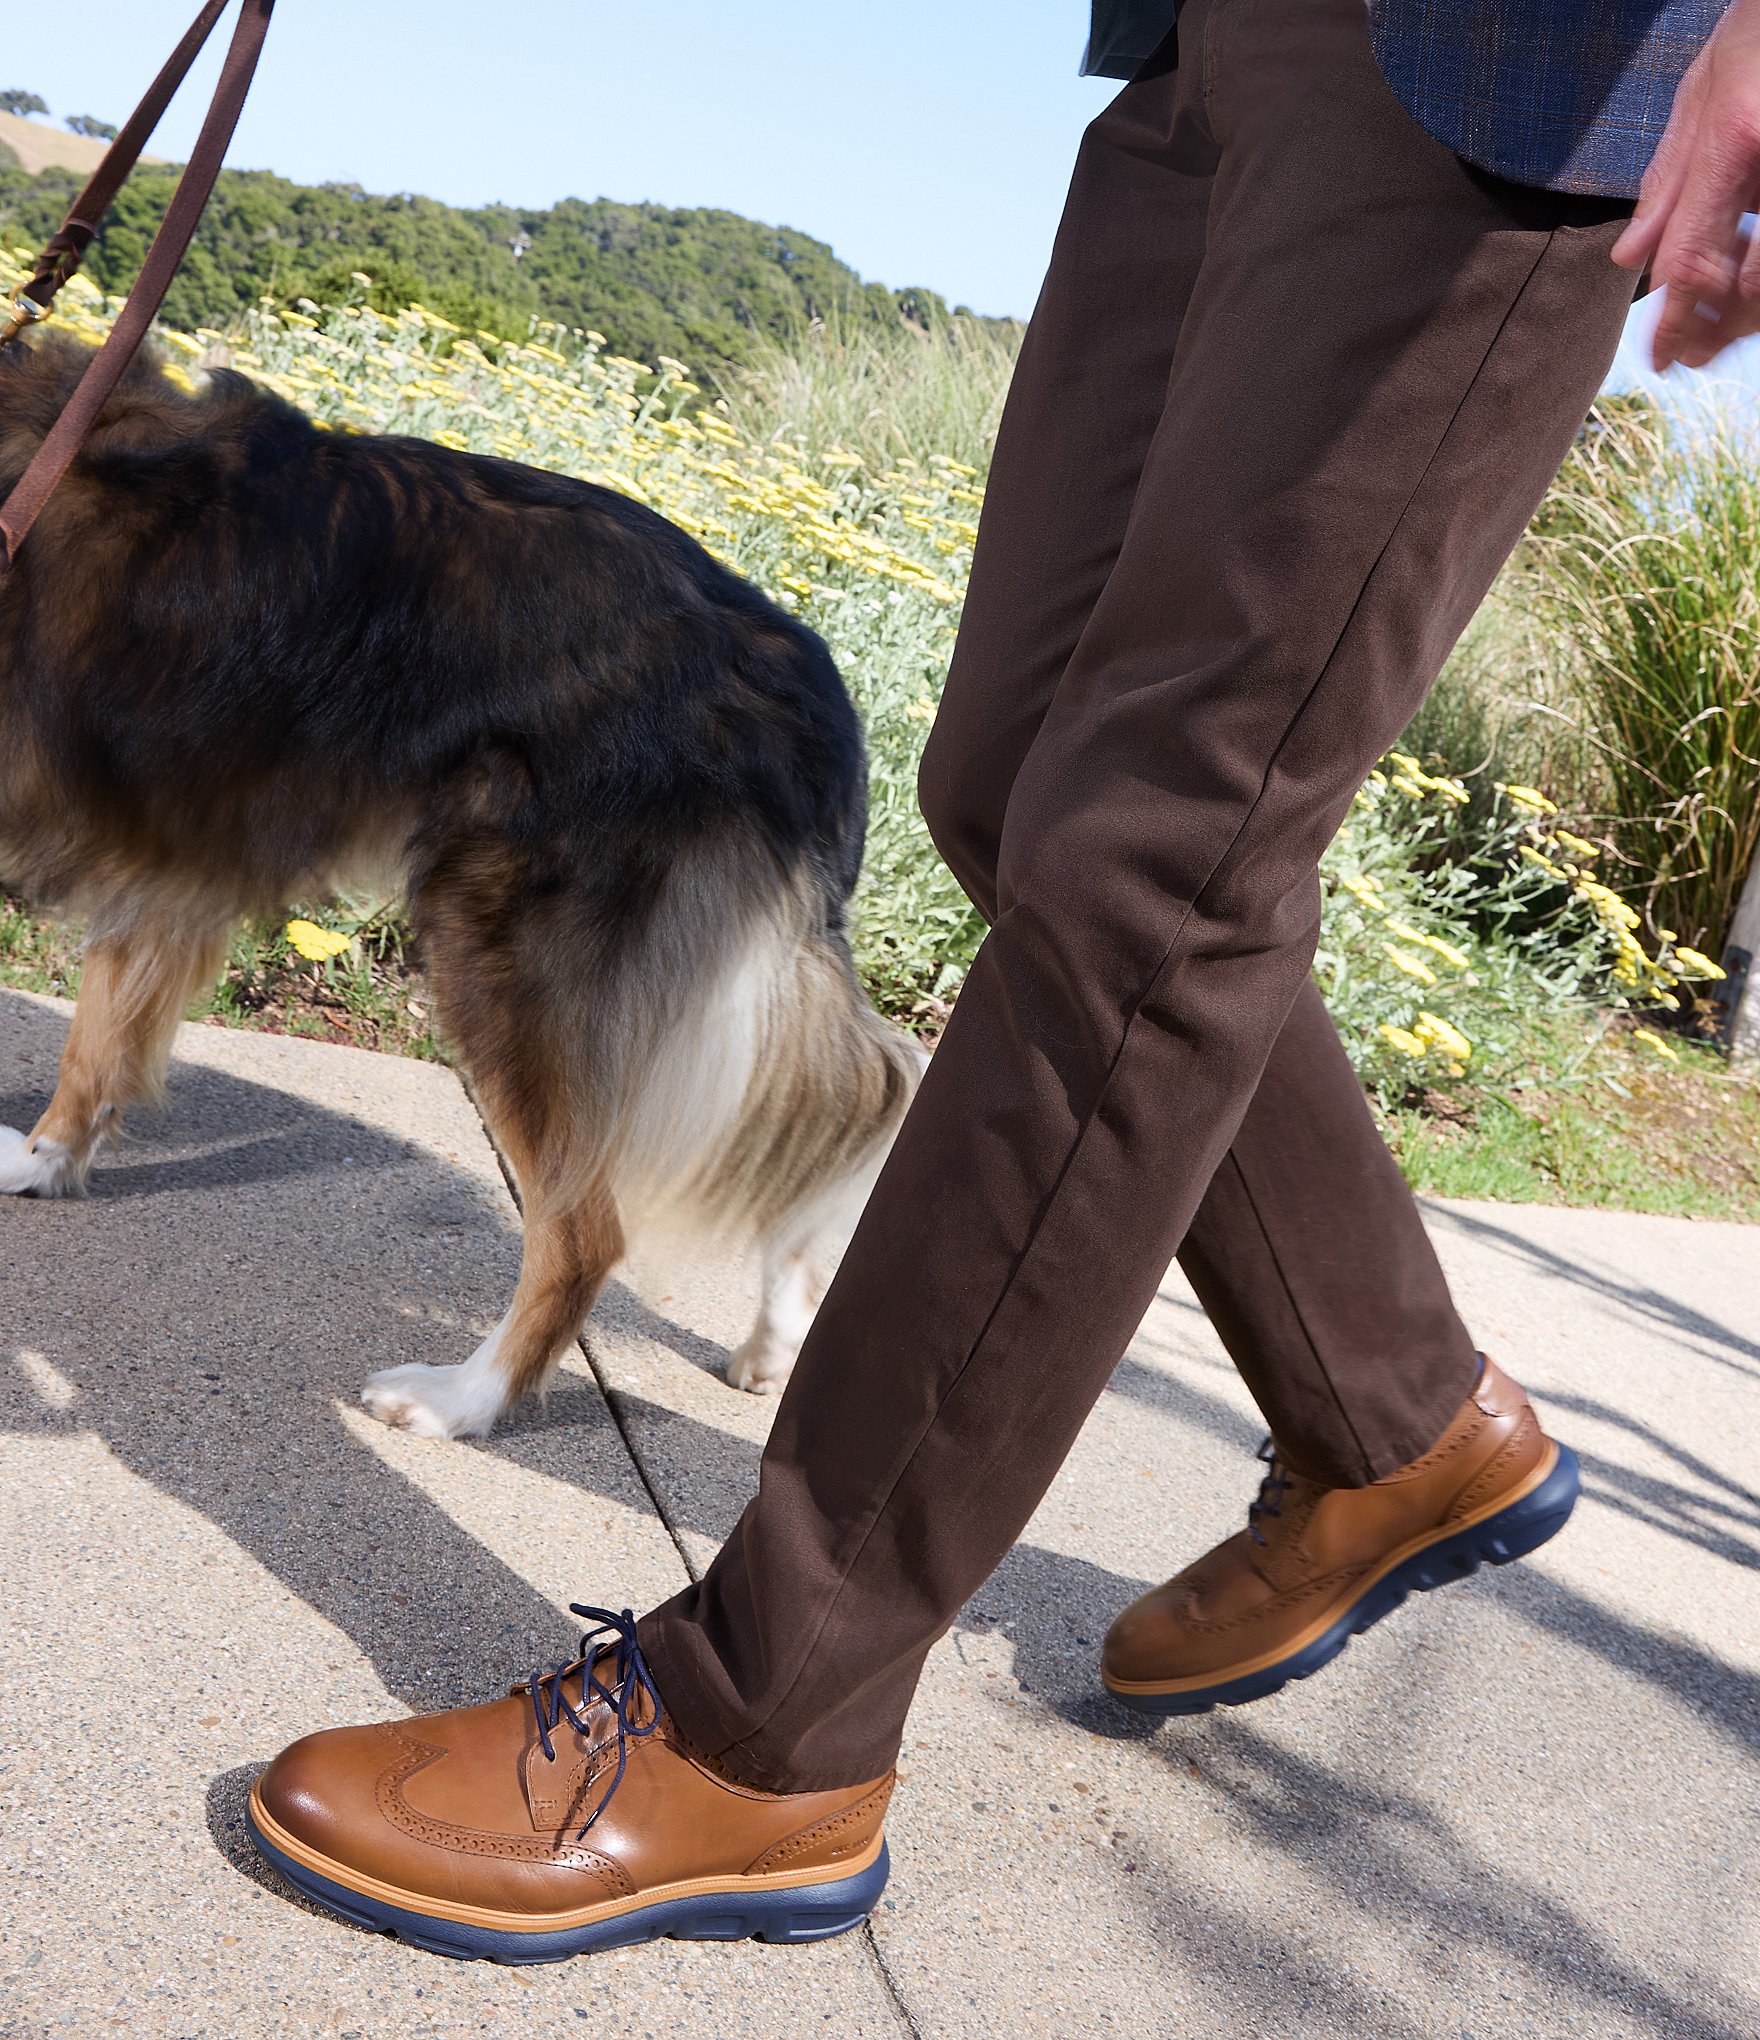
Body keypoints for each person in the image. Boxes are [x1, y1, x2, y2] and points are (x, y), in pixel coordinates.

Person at [246, 0, 1760, 1962]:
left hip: (1512, 62)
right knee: (1017, 783)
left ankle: (764, 1724)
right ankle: (1394, 1418)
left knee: (1164, 846)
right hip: (1215, 43)